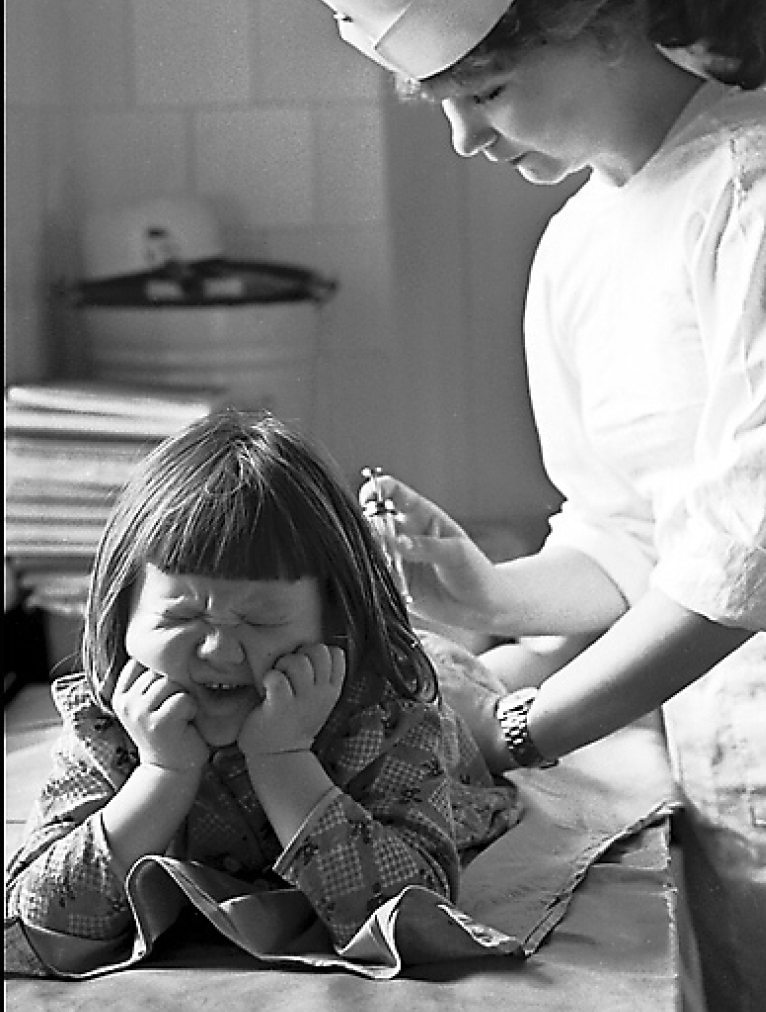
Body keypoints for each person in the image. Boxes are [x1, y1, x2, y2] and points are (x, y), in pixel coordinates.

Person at [225, 0, 766, 1012]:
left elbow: (742, 560)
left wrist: (509, 732)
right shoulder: (579, 247)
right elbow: (629, 542)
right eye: (443, 103)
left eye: (483, 92)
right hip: (730, 776)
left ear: (598, 11)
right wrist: (491, 597)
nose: (468, 140)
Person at [4, 409, 520, 978]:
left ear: (334, 623)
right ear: (119, 617)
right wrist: (161, 776)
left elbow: (417, 913)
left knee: (481, 687)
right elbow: (37, 912)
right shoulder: (106, 723)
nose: (220, 652)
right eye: (181, 617)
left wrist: (284, 761)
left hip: (447, 690)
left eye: (264, 619)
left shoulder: (388, 714)